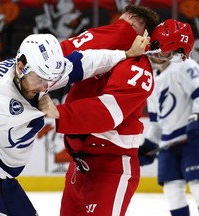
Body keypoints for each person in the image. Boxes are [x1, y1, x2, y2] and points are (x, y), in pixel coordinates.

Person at [0, 32, 147, 215]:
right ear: (20, 67)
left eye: (50, 80)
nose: (45, 88)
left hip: (3, 174)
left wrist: (125, 54)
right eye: (40, 80)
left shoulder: (39, 73)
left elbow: (85, 61)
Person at [39, 15, 192, 216]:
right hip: (84, 163)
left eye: (170, 54)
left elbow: (107, 113)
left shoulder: (141, 71)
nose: (164, 57)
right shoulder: (125, 55)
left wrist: (59, 112)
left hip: (109, 166)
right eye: (165, 51)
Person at [138, 19, 198, 216]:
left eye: (160, 48)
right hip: (168, 144)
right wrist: (148, 145)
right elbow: (156, 122)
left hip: (191, 140)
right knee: (172, 190)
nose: (155, 53)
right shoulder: (153, 79)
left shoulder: (185, 66)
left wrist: (195, 119)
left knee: (197, 184)